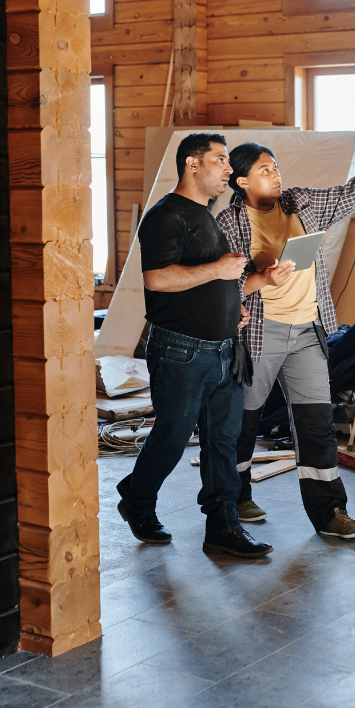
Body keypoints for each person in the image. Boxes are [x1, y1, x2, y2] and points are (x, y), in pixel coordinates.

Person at [216, 123, 355, 538]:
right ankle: (235, 495)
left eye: (275, 167)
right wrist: (263, 277)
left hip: (308, 331)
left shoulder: (302, 204)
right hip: (260, 333)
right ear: (241, 181)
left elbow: (353, 193)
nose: (276, 175)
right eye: (264, 170)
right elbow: (220, 284)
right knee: (244, 421)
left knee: (316, 424)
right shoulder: (228, 223)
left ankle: (330, 513)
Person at [116, 133, 273, 559]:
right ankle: (137, 499)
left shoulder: (207, 215)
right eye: (220, 160)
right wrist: (220, 269)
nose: (228, 168)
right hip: (181, 351)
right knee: (172, 436)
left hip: (224, 349)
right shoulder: (165, 217)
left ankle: (223, 528)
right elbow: (158, 279)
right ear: (192, 164)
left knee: (222, 441)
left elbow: (211, 281)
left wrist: (233, 307)